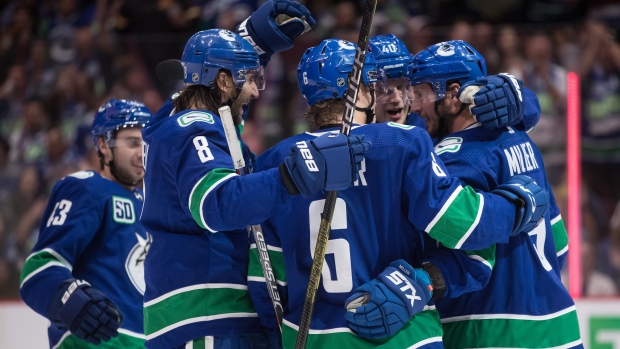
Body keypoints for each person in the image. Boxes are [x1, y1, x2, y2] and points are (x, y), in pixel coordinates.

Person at [247, 38, 549, 349]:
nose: (399, 98)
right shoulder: (403, 142)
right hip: (406, 338)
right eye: (379, 85)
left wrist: (522, 99)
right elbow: (464, 224)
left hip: (316, 339)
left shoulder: (273, 162)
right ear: (363, 90)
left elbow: (267, 282)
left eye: (410, 89)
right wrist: (516, 205)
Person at [139, 27, 368, 349]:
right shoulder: (196, 130)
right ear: (223, 81)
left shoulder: (185, 123)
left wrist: (254, 43)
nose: (257, 92)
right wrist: (290, 177)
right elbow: (216, 204)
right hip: (206, 309)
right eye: (250, 78)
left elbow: (216, 103)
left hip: (203, 309)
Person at [404, 40, 582, 348]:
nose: (415, 106)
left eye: (421, 93)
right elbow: (560, 246)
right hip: (559, 325)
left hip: (492, 329)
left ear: (452, 93)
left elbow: (465, 257)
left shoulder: (454, 157)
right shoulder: (519, 138)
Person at [19, 99, 153, 348]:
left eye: (146, 143)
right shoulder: (87, 188)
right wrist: (68, 299)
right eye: (133, 142)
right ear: (103, 145)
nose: (141, 151)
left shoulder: (152, 204)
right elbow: (38, 270)